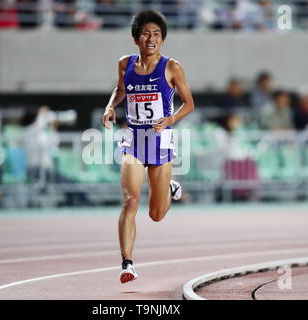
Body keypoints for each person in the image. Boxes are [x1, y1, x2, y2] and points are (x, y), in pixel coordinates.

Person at [102, 10, 195, 284]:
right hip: (133, 139)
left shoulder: (172, 67)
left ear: (162, 40)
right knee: (130, 200)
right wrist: (110, 107)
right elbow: (121, 90)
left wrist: (171, 118)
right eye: (145, 33)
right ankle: (127, 263)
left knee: (156, 215)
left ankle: (168, 189)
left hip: (160, 139)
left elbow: (189, 103)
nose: (151, 38)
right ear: (135, 38)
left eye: (156, 34)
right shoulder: (124, 63)